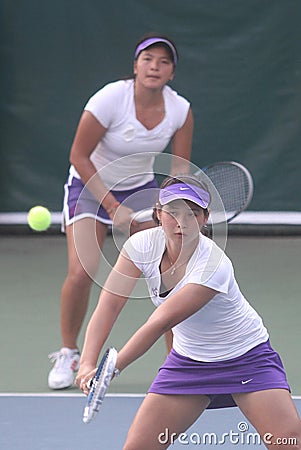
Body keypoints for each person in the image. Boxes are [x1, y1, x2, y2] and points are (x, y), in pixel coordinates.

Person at [76, 175, 301, 449]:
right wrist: (88, 362)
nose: (181, 222)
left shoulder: (213, 265)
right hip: (189, 363)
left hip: (247, 359)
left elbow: (159, 323)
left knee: (289, 444)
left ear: (205, 218)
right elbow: (109, 304)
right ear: (158, 214)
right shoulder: (141, 246)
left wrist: (112, 369)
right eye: (172, 212)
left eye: (192, 213)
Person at [48, 32, 194, 389]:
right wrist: (113, 207)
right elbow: (78, 156)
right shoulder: (111, 98)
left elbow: (179, 169)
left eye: (163, 62)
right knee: (82, 272)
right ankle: (69, 352)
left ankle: (176, 361)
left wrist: (170, 207)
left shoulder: (180, 110)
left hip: (142, 190)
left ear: (172, 72)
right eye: (147, 60)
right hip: (89, 186)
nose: (154, 67)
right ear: (135, 66)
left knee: (168, 274)